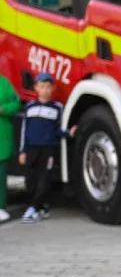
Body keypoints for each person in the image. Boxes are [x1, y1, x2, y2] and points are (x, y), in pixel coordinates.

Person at [19, 73, 75, 223]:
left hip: (48, 150)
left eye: (48, 87)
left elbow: (58, 129)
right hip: (31, 149)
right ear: (36, 88)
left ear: (53, 88)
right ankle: (42, 207)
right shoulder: (30, 107)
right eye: (42, 87)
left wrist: (68, 133)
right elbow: (25, 130)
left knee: (44, 180)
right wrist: (23, 151)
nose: (45, 90)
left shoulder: (57, 108)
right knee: (30, 181)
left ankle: (31, 210)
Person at [0, 75, 19, 224]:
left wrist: (3, 109)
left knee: (1, 177)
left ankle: (1, 207)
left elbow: (16, 103)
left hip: (2, 140)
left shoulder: (5, 84)